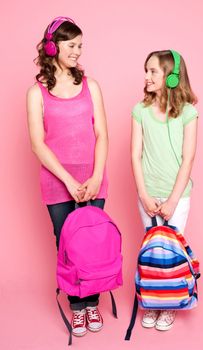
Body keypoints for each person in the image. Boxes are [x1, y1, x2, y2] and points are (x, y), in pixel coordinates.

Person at [27, 16, 108, 337]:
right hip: (57, 185)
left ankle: (92, 303)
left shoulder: (92, 86)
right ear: (52, 46)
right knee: (67, 246)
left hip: (93, 180)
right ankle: (77, 307)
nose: (78, 51)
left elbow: (102, 134)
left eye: (80, 45)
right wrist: (69, 181)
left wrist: (97, 176)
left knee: (92, 245)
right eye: (72, 45)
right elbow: (37, 144)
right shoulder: (36, 92)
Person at [131, 50, 198, 331]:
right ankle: (153, 301)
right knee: (152, 254)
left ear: (171, 77)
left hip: (176, 197)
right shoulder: (140, 110)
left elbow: (188, 158)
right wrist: (145, 195)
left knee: (171, 255)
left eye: (153, 71)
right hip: (148, 194)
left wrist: (172, 200)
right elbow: (135, 155)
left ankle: (170, 305)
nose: (146, 76)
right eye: (146, 71)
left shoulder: (188, 112)